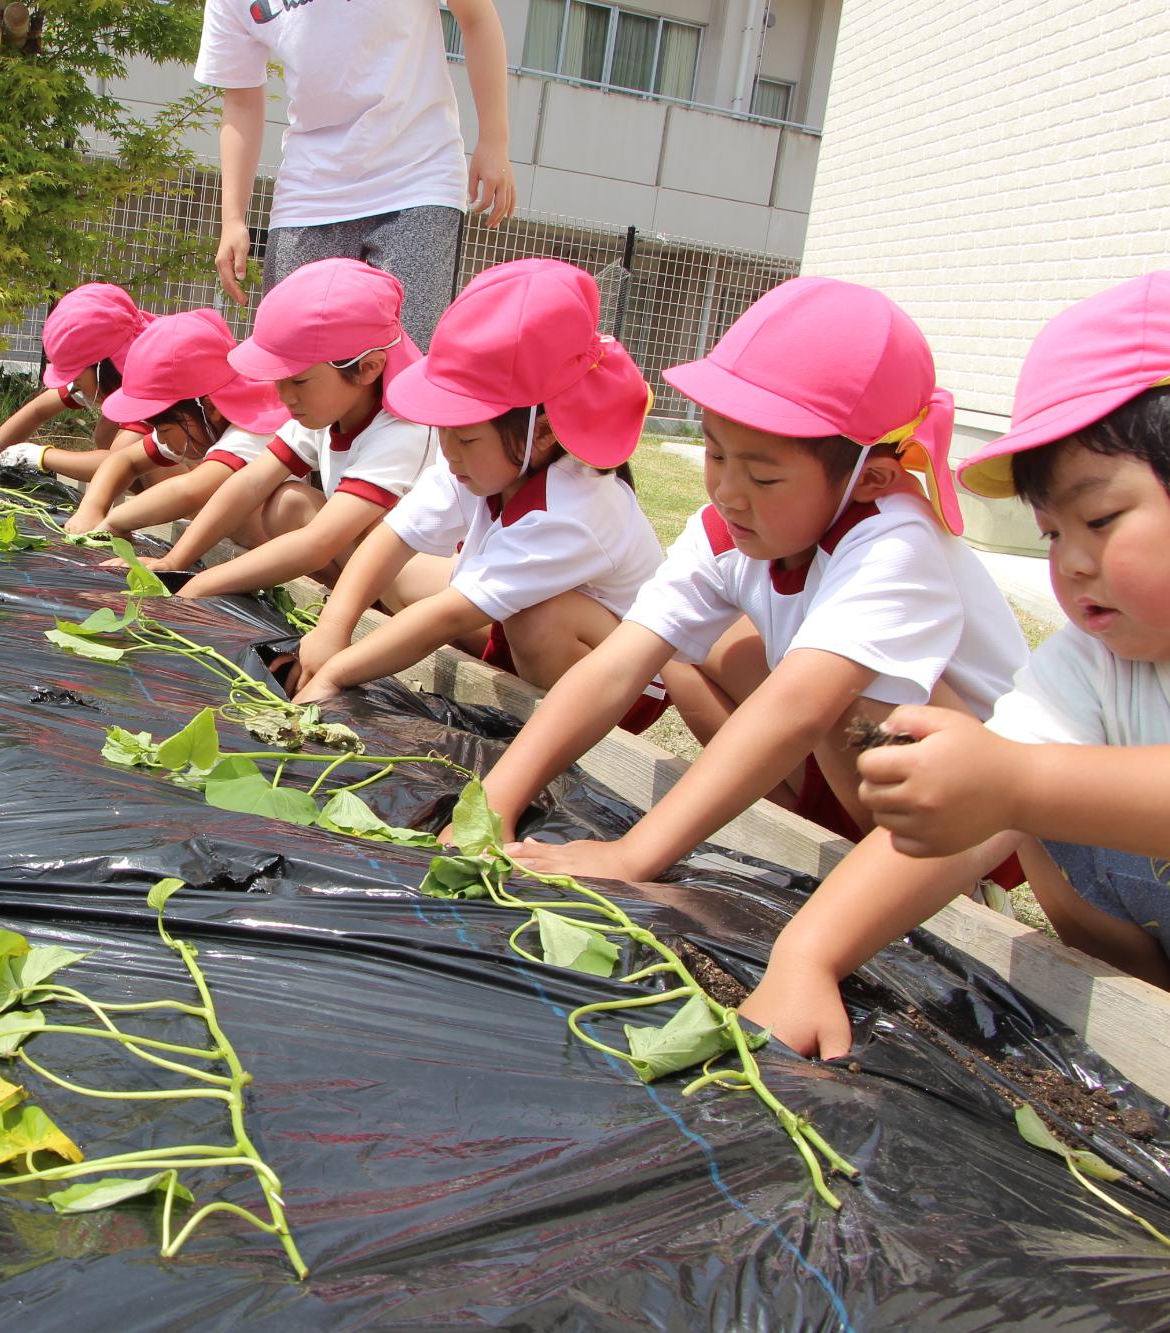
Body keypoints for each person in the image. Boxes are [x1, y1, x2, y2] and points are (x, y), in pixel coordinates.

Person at [457, 277, 1027, 878]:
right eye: (717, 454)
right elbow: (617, 664)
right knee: (687, 651)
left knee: (837, 695)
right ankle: (799, 832)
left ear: (871, 479)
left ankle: (925, 882)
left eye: (764, 477)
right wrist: (494, 803)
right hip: (847, 758)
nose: (728, 493)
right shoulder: (730, 528)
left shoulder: (897, 545)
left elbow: (799, 708)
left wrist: (634, 853)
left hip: (977, 813)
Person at [742, 274, 1170, 1058]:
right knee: (1027, 795)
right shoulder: (1094, 660)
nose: (1071, 563)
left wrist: (1018, 781)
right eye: (1051, 534)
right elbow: (974, 826)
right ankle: (1147, 1019)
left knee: (1031, 783)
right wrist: (809, 952)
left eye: (1101, 519)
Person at [292, 260, 681, 730]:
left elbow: (449, 616)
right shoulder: (487, 461)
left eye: (468, 438)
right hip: (521, 615)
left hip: (625, 678)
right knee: (403, 574)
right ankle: (511, 675)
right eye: (445, 432)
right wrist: (334, 626)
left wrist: (336, 672)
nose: (450, 452)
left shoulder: (572, 509)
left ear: (542, 433)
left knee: (537, 619)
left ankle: (550, 723)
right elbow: (396, 534)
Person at [197, 0, 517, 348]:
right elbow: (241, 98)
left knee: (405, 358)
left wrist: (494, 140)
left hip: (416, 173)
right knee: (294, 357)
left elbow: (477, 17)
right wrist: (232, 219)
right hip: (310, 187)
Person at [153, 259, 436, 596]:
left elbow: (319, 542)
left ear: (367, 368)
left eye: (298, 381)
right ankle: (347, 599)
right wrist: (175, 561)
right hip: (369, 563)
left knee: (395, 568)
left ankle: (364, 611)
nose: (284, 396)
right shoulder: (329, 407)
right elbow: (250, 483)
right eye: (279, 380)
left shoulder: (404, 429)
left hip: (426, 580)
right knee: (287, 505)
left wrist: (197, 586)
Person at [70, 309, 294, 539]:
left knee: (272, 503)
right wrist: (91, 509)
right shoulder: (197, 419)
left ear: (210, 407)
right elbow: (123, 460)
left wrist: (114, 522)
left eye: (165, 429)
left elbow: (189, 491)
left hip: (289, 549)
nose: (162, 438)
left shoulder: (251, 433)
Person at [0, 283, 152, 483]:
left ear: (102, 366)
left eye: (75, 378)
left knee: (113, 437)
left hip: (185, 488)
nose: (73, 385)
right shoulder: (104, 373)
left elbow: (116, 462)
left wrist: (40, 456)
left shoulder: (149, 390)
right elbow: (37, 412)